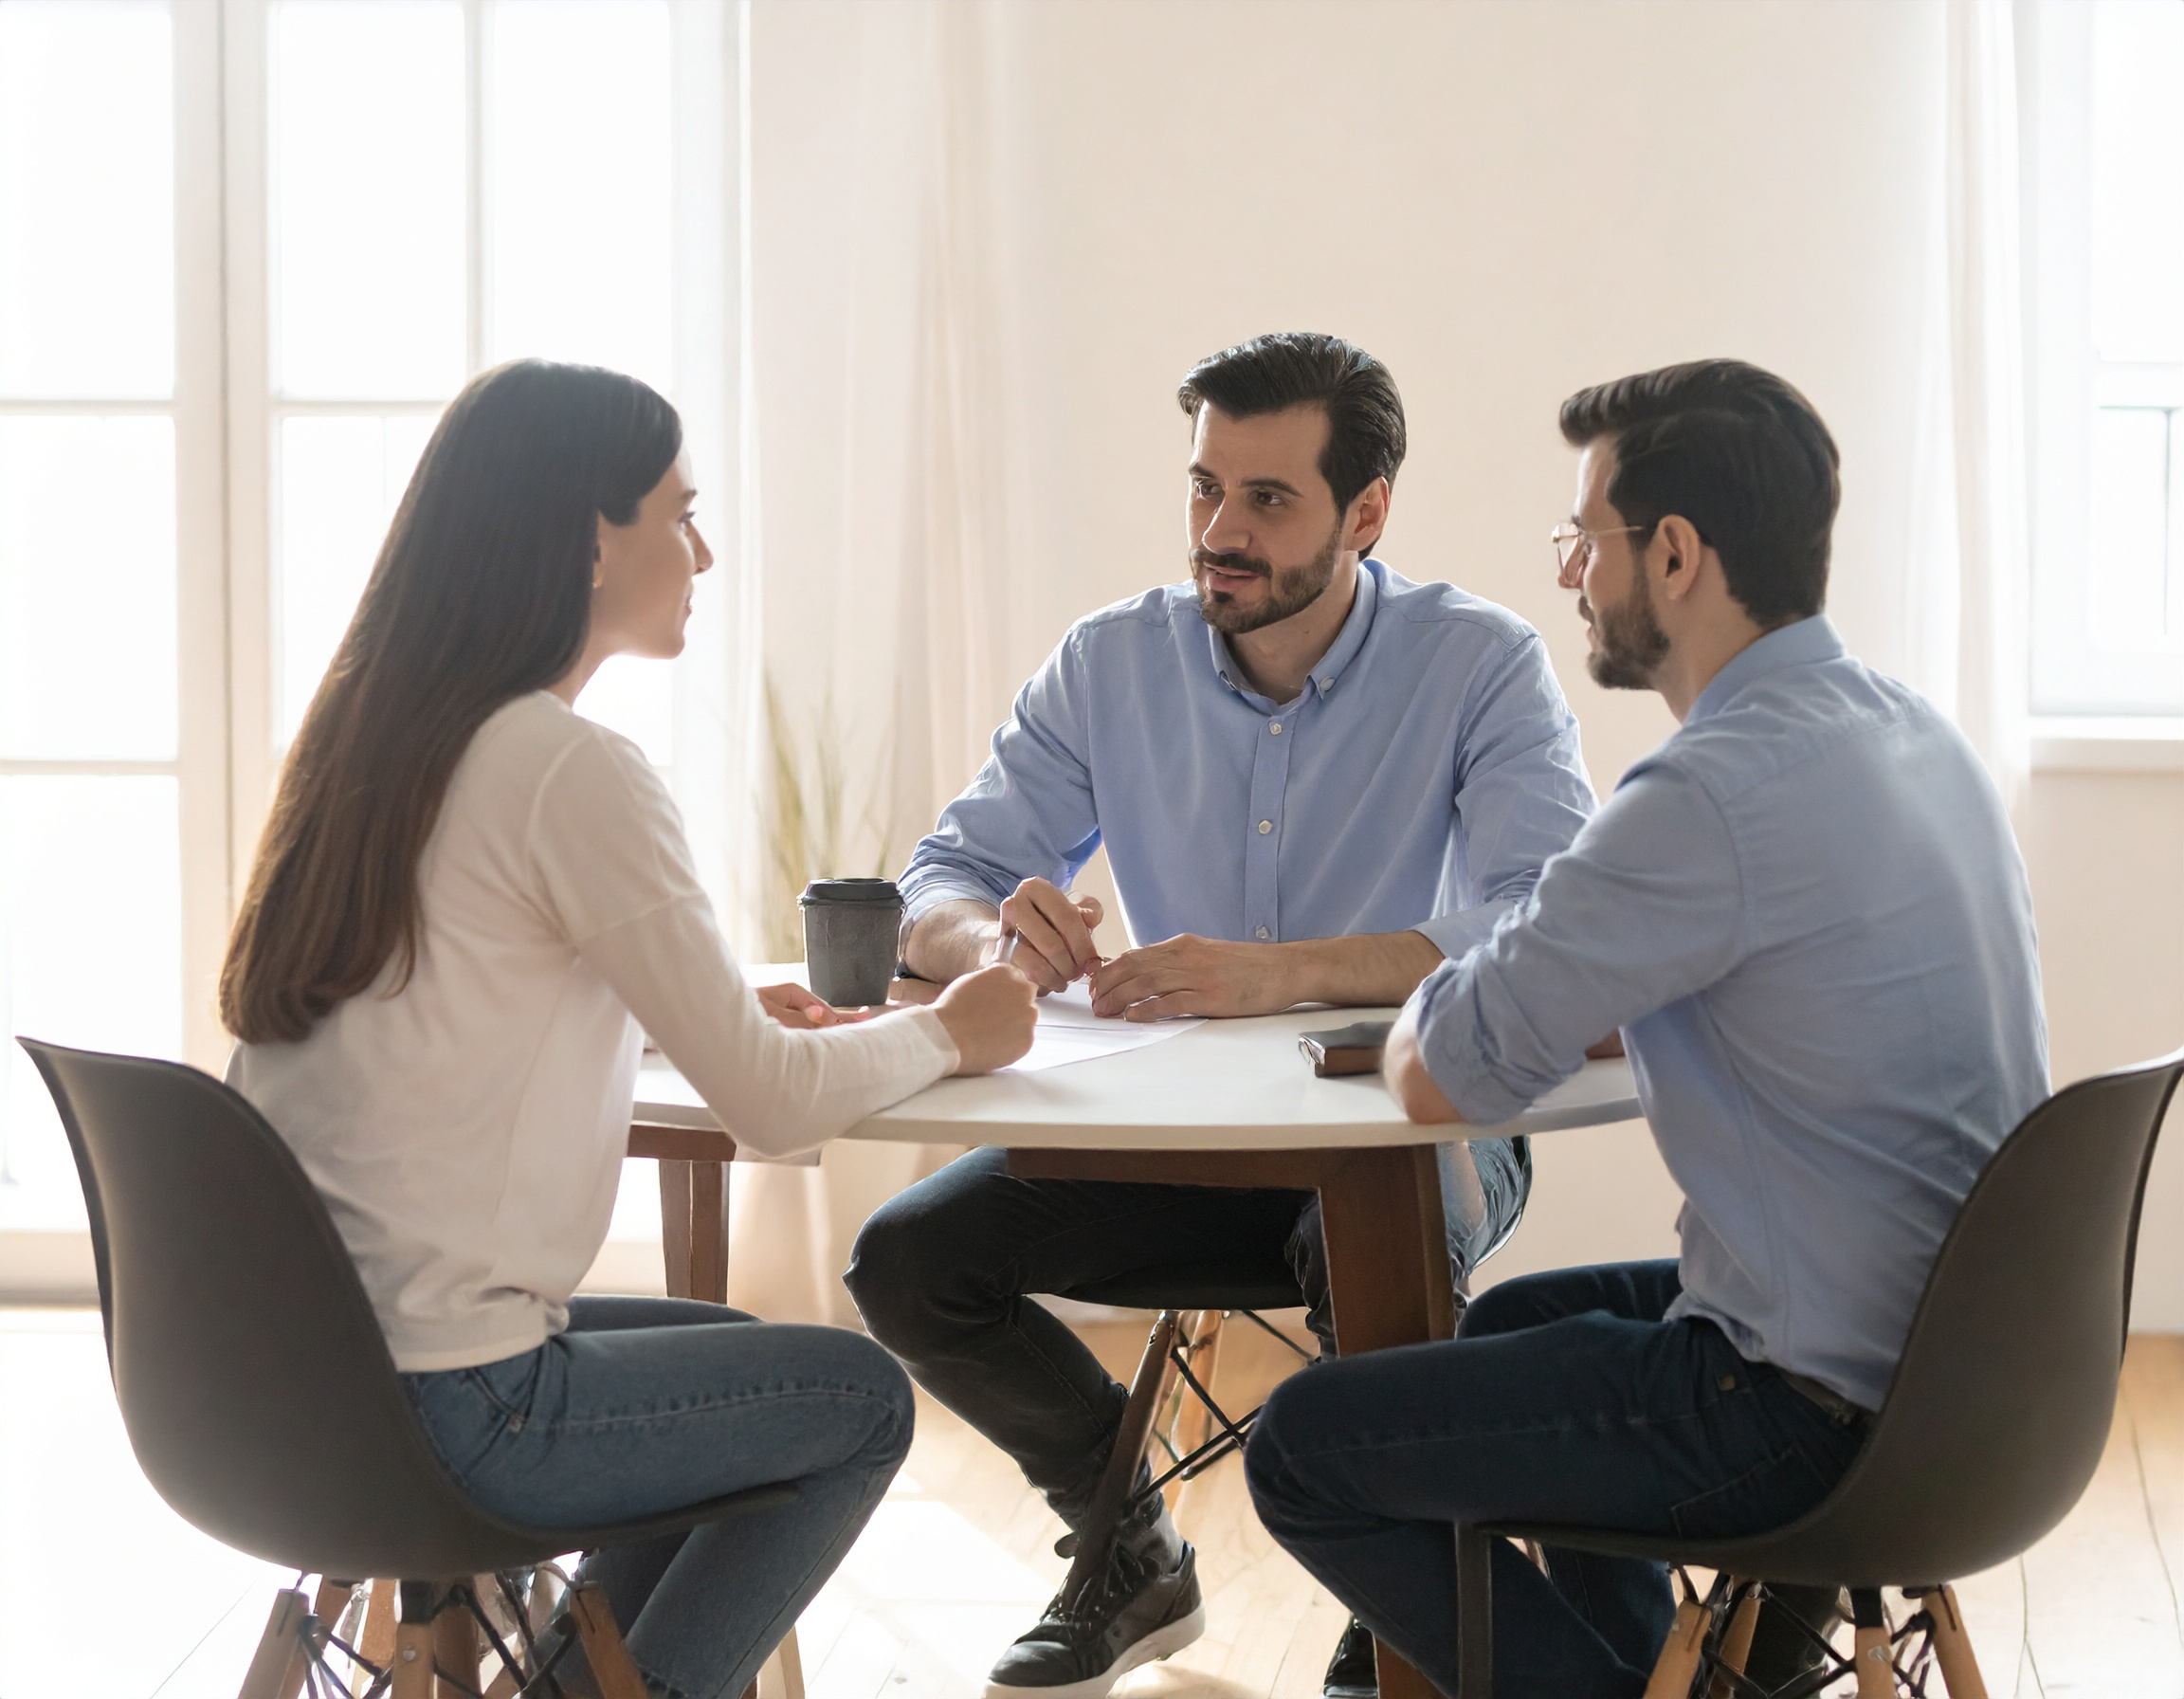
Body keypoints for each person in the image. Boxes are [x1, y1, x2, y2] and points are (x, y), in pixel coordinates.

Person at [220, 359, 1039, 1699]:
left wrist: (690, 1015)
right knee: (856, 1403)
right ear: (589, 538)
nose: (702, 549)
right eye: (679, 510)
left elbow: (446, 1023)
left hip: (287, 1391)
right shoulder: (567, 766)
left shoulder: (373, 738)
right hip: (457, 1406)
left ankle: (566, 1688)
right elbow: (775, 1108)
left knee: (716, 1360)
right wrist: (957, 1026)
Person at [1242, 358, 2050, 1699]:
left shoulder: (1706, 794)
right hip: (1978, 1379)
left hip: (1805, 1411)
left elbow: (1439, 1072)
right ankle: (1669, 1674)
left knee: (1304, 1450)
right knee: (1503, 1325)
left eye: (1585, 539)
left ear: (1673, 554)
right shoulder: (1914, 734)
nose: (1571, 574)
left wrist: (1492, 938)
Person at [845, 332, 1598, 1699]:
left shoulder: (1480, 664)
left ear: (1366, 513)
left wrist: (1289, 969)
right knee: (907, 1262)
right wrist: (990, 931)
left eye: (1267, 499)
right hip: (1173, 1145)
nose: (1220, 533)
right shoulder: (1110, 661)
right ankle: (1126, 1542)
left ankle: (1399, 1616)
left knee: (1369, 1238)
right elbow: (937, 881)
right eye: (1204, 489)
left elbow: (1552, 921)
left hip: (1416, 1133)